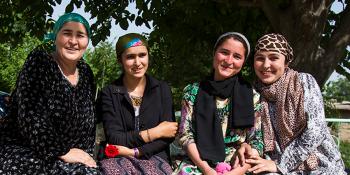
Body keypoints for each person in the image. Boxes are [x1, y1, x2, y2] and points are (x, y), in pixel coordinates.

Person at [0, 13, 101, 174]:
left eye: (80, 35)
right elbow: (30, 116)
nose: (73, 41)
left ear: (87, 41)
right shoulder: (40, 62)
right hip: (27, 150)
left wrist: (86, 155)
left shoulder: (86, 72)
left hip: (70, 156)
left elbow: (89, 123)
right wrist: (63, 152)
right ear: (56, 37)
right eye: (67, 33)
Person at [241, 33, 346, 174]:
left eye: (273, 58)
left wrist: (281, 165)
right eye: (260, 58)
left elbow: (316, 131)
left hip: (319, 165)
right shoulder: (253, 92)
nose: (266, 65)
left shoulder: (303, 82)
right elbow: (254, 135)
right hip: (272, 164)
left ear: (286, 62)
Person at [173, 32, 263, 175]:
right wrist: (207, 170)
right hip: (198, 161)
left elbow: (257, 141)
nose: (229, 60)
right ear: (214, 53)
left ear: (243, 62)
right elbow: (185, 135)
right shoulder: (192, 92)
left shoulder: (251, 95)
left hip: (239, 164)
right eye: (224, 52)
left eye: (237, 56)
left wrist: (237, 172)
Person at [98, 33, 178, 175]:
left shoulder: (162, 89)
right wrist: (155, 132)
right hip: (117, 157)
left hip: (155, 156)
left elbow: (169, 134)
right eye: (130, 57)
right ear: (119, 60)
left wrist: (136, 152)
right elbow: (114, 137)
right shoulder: (109, 93)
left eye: (142, 55)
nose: (137, 62)